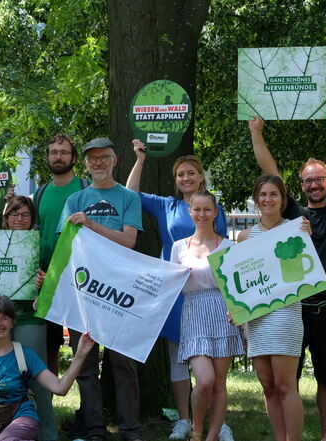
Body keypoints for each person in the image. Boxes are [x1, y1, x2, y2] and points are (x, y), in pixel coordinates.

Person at [249, 104, 326, 441]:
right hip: (292, 311)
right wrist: (256, 132)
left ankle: (324, 437)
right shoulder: (292, 214)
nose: (314, 185)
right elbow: (270, 169)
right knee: (284, 383)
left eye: (319, 179)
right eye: (307, 181)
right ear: (301, 185)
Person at [125, 140, 233, 441]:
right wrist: (140, 160)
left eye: (191, 173)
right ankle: (184, 420)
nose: (186, 179)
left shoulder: (214, 209)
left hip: (207, 294)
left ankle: (217, 422)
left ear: (201, 177)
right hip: (174, 294)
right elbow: (130, 194)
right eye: (180, 175)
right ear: (176, 181)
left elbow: (222, 253)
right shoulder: (166, 206)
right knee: (178, 356)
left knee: (212, 359)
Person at [58, 137, 144, 441]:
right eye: (92, 159)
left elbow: (129, 240)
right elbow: (64, 246)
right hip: (84, 292)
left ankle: (130, 430)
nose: (98, 163)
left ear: (114, 160)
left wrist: (92, 226)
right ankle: (94, 429)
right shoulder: (76, 200)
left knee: (124, 363)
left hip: (120, 290)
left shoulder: (128, 198)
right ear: (86, 164)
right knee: (85, 363)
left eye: (104, 157)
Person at [0, 296, 95, 441]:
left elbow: (60, 388)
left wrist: (81, 353)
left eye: (4, 318)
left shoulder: (25, 354)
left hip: (21, 421)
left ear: (12, 322)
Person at [238, 175, 311, 441]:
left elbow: (306, 272)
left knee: (284, 385)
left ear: (283, 199)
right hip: (257, 320)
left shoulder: (297, 229)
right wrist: (239, 313)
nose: (267, 199)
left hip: (286, 314)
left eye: (273, 194)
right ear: (257, 199)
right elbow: (242, 285)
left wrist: (306, 236)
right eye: (263, 194)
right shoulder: (245, 237)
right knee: (268, 387)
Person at [170, 190, 243, 441]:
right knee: (204, 380)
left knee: (219, 383)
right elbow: (171, 285)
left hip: (223, 312)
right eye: (196, 209)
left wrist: (239, 314)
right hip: (193, 312)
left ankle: (212, 436)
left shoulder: (227, 246)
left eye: (206, 210)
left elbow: (236, 286)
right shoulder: (179, 247)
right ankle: (197, 430)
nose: (201, 214)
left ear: (215, 213)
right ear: (190, 212)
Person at [0, 196, 58, 441]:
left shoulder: (43, 244)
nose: (19, 219)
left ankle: (47, 432)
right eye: (14, 214)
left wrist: (46, 284)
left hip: (30, 316)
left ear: (32, 218)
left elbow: (58, 281)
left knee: (38, 377)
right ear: (6, 218)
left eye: (25, 215)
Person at [32, 134, 90, 377]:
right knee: (50, 344)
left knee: (83, 344)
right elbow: (33, 234)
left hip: (80, 278)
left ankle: (87, 408)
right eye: (53, 152)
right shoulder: (40, 192)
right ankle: (51, 400)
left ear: (73, 157)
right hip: (46, 279)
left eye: (63, 152)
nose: (58, 156)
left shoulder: (86, 188)